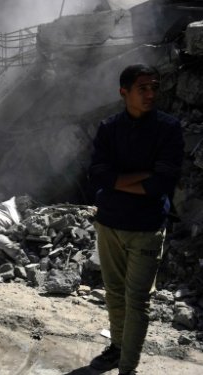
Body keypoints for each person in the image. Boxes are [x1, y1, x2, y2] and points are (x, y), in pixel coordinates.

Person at [88, 64, 184, 375]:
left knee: (138, 300)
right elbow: (97, 175)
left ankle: (127, 368)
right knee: (114, 292)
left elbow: (162, 183)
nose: (151, 94)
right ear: (123, 92)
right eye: (143, 88)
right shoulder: (109, 128)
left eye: (154, 87)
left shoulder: (168, 129)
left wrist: (116, 181)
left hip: (146, 227)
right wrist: (140, 177)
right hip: (110, 224)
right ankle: (117, 348)